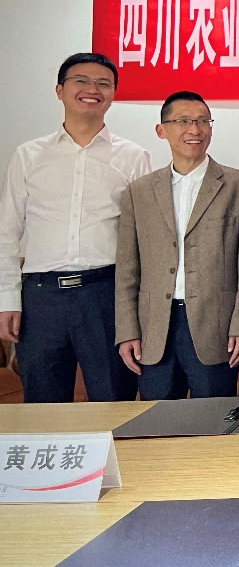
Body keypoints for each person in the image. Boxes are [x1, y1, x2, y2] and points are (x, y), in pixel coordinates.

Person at [0, 53, 150, 402]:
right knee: (43, 409)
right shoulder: (28, 155)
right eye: (81, 80)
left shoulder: (133, 156)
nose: (92, 89)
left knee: (113, 402)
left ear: (113, 94)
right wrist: (7, 299)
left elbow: (143, 239)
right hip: (41, 299)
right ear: (60, 90)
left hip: (104, 295)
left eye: (103, 83)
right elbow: (7, 232)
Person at [115, 92, 239, 399]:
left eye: (203, 121)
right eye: (183, 121)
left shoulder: (238, 185)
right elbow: (127, 269)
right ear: (161, 130)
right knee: (157, 418)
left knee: (213, 418)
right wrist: (127, 330)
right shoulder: (140, 191)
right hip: (155, 327)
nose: (195, 129)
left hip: (216, 325)